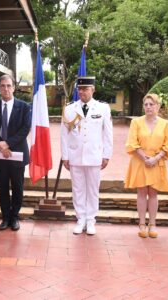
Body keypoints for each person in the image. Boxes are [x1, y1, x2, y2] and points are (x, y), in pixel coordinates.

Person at [61, 76, 113, 235]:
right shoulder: (70, 108)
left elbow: (108, 133)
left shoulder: (103, 108)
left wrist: (106, 154)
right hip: (75, 155)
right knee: (77, 189)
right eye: (80, 89)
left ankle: (91, 220)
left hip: (94, 155)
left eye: (86, 89)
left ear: (93, 90)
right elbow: (64, 134)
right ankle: (80, 219)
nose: (82, 92)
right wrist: (65, 156)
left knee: (92, 189)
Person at [124, 94, 168, 238]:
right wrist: (144, 157)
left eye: (151, 104)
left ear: (158, 106)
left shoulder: (166, 124)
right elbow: (131, 143)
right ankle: (141, 224)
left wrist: (156, 158)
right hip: (140, 161)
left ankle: (152, 224)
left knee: (153, 193)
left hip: (156, 162)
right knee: (141, 192)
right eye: (146, 104)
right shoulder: (136, 122)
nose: (148, 107)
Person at [0, 74, 31, 231]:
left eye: (9, 85)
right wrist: (1, 145)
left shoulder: (24, 107)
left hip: (17, 154)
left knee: (18, 187)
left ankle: (15, 217)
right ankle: (5, 217)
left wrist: (8, 144)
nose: (6, 89)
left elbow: (25, 129)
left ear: (14, 87)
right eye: (3, 86)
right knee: (2, 187)